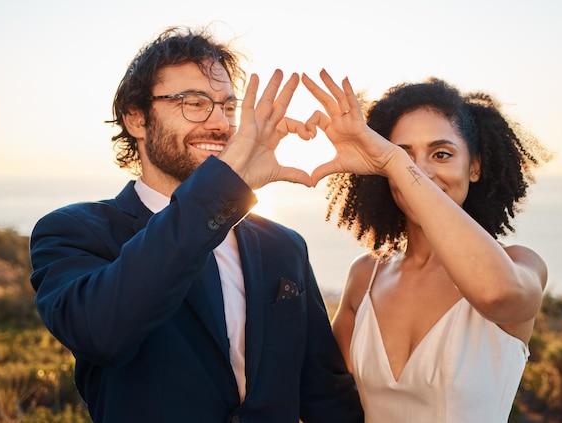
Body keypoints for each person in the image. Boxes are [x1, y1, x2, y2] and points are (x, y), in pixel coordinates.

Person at [29, 27, 363, 423]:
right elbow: (102, 333)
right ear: (136, 119)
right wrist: (226, 181)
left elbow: (326, 396)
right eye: (194, 103)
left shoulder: (284, 245)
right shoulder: (72, 231)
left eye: (227, 106)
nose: (220, 123)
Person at [301, 70, 550, 422]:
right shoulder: (365, 276)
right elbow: (323, 391)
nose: (420, 171)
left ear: (474, 166)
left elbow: (496, 294)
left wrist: (396, 164)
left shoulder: (519, 264)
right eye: (402, 155)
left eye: (442, 154)